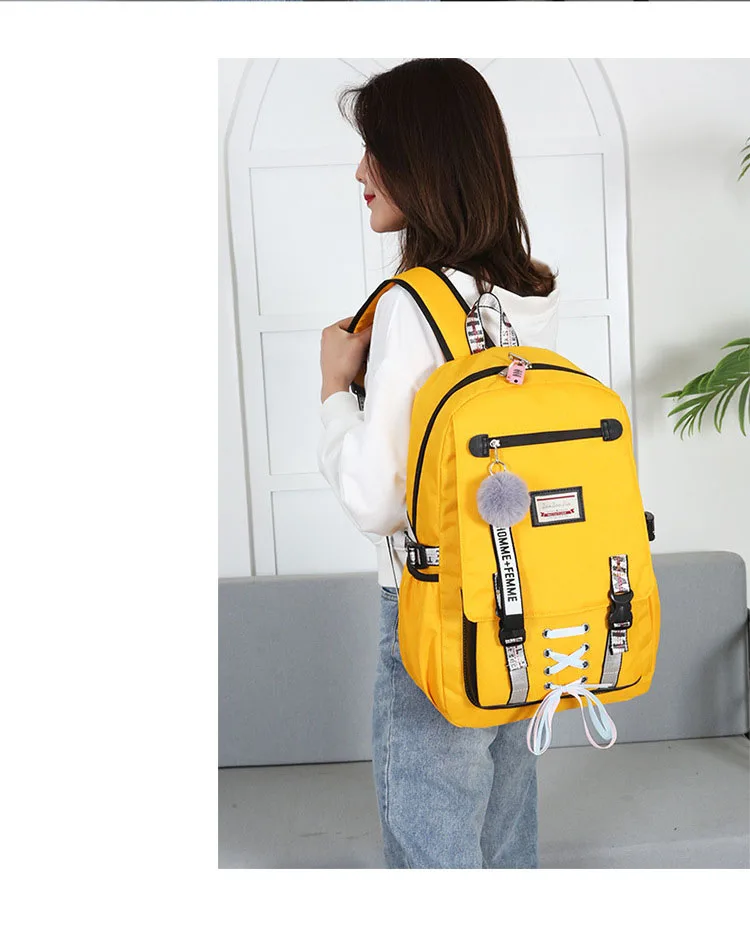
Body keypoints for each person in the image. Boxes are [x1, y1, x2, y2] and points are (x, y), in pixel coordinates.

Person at [317, 58, 560, 869]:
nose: (361, 172)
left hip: (435, 606)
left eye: (375, 150)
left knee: (434, 854)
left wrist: (333, 388)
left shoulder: (411, 306)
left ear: (422, 160)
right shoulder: (510, 299)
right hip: (520, 600)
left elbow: (376, 499)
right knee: (504, 835)